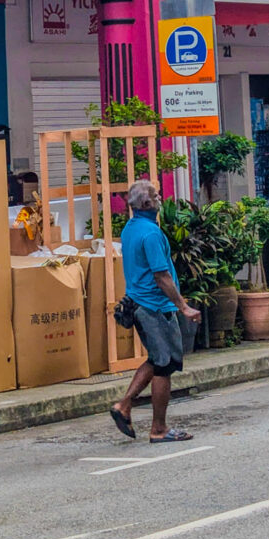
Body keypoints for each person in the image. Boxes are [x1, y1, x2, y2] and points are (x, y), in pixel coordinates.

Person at [110, 180, 192, 442]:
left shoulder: (130, 228)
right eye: (157, 196)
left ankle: (124, 405)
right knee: (164, 366)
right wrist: (183, 306)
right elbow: (162, 276)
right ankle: (158, 429)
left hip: (138, 302)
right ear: (147, 204)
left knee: (156, 359)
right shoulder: (152, 234)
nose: (161, 199)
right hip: (155, 307)